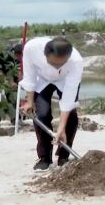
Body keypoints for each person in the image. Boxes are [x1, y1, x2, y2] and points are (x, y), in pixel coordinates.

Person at [19, 37, 83, 171]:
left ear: (68, 56)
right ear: (45, 54)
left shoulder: (76, 61)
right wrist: (29, 101)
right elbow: (29, 75)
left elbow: (68, 100)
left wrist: (61, 128)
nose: (57, 68)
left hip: (65, 81)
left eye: (61, 64)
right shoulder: (31, 48)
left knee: (71, 116)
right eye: (53, 64)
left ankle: (64, 156)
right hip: (42, 80)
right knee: (41, 115)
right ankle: (44, 158)